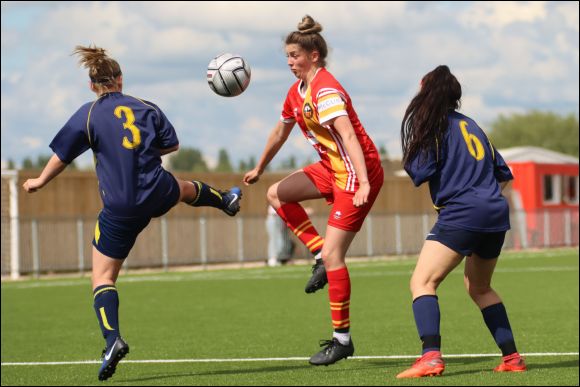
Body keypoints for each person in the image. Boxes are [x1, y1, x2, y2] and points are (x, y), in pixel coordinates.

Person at [22, 45, 242, 381]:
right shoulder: (147, 107)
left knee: (103, 277)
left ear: (92, 85)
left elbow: (62, 156)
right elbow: (171, 146)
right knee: (182, 188)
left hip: (121, 206)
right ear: (121, 80)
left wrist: (39, 180)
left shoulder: (89, 114)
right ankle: (225, 199)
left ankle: (112, 340)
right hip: (155, 190)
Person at [243, 16, 384, 366]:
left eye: (295, 55)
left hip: (354, 171)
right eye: (287, 57)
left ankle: (342, 340)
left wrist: (364, 181)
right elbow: (279, 133)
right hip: (332, 169)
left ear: (314, 55)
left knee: (338, 257)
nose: (290, 62)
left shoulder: (325, 90)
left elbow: (349, 136)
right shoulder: (296, 92)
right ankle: (319, 254)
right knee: (276, 194)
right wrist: (260, 167)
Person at [396, 65, 526, 378]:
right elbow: (503, 174)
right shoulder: (472, 125)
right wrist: (482, 198)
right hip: (495, 210)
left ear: (427, 91)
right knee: (479, 287)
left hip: (463, 212)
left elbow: (419, 171)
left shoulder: (431, 124)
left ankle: (430, 357)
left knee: (422, 282)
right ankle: (512, 358)